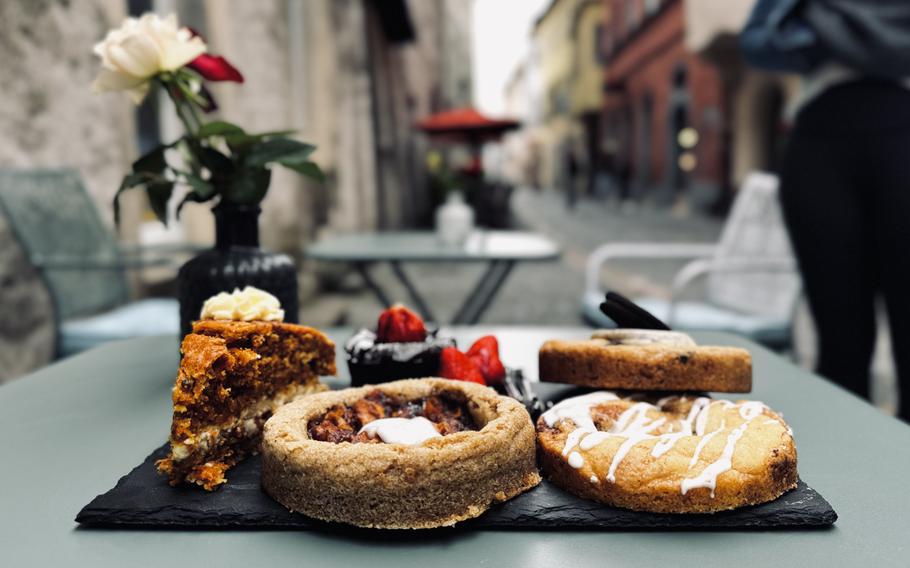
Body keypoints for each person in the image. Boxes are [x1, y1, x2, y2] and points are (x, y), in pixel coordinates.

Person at [741, 0, 910, 421]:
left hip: (902, 127)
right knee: (839, 345)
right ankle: (849, 478)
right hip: (819, 139)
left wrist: (820, 20)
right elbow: (757, 43)